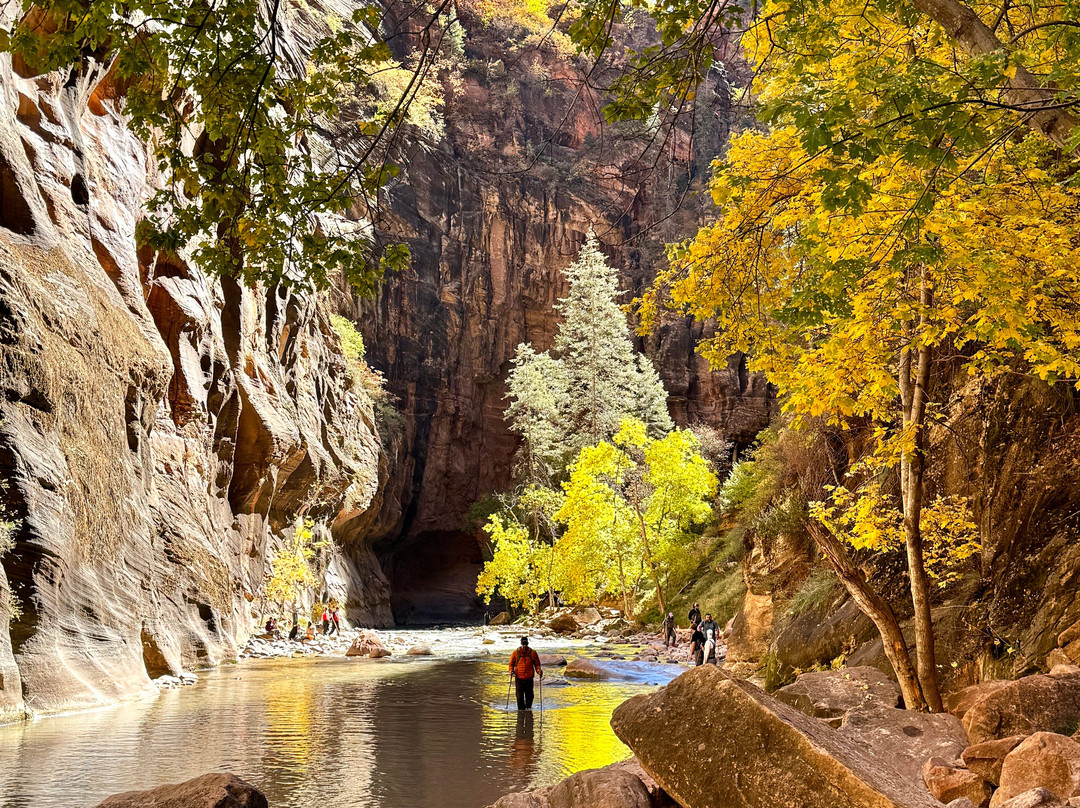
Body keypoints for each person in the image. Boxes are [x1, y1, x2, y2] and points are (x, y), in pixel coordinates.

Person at [508, 636, 543, 710]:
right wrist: (511, 671)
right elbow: (511, 664)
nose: (524, 646)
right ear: (521, 644)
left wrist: (539, 671)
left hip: (529, 678)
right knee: (519, 696)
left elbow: (537, 664)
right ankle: (521, 710)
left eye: (526, 644)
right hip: (519, 678)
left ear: (527, 644)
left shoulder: (533, 653)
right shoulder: (515, 653)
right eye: (523, 644)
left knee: (530, 696)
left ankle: (528, 709)